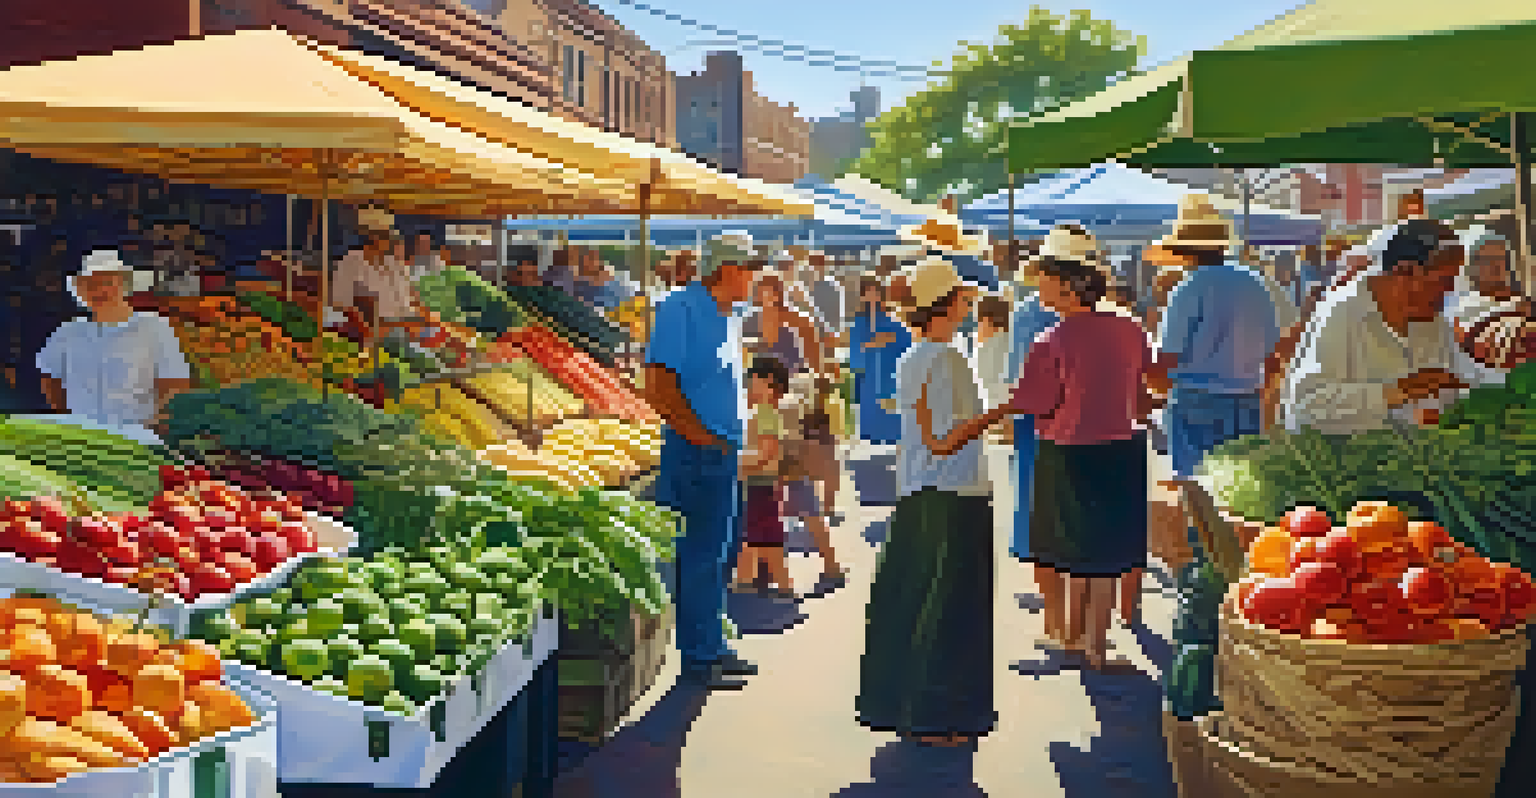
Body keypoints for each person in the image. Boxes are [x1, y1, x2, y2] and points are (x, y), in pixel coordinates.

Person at [858, 255, 1012, 748]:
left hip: (924, 491)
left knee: (918, 603)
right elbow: (943, 440)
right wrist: (1005, 410)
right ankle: (935, 718)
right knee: (950, 611)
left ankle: (918, 712)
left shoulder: (916, 355)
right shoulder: (944, 358)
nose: (969, 303)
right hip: (952, 494)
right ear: (946, 304)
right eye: (962, 296)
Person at [1009, 250, 1155, 672]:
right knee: (1107, 550)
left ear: (1069, 288)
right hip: (1121, 447)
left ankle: (1075, 637)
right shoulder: (1130, 327)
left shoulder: (1051, 340)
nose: (1039, 289)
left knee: (1073, 546)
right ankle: (1095, 643)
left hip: (1067, 451)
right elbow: (1147, 387)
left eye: (1046, 281)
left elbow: (1035, 402)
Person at [643, 232, 760, 690]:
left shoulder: (727, 313)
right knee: (699, 557)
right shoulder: (680, 308)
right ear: (727, 269)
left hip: (718, 452)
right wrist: (702, 436)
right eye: (750, 268)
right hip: (696, 453)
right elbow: (658, 385)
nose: (754, 277)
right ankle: (699, 659)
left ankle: (712, 645)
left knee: (718, 555)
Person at [1284, 219, 1466, 435]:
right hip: (1343, 452)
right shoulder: (1341, 311)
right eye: (1444, 280)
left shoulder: (1434, 321)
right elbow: (1305, 407)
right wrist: (1396, 392)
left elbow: (1448, 393)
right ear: (1404, 272)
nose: (1450, 289)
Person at [1156, 195, 1280, 481]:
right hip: (1248, 401)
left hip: (1197, 402)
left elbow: (1167, 357)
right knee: (1241, 491)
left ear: (1184, 252)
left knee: (1197, 488)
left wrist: (1153, 388)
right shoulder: (1255, 283)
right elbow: (1273, 355)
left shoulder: (1188, 288)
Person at [744, 272, 843, 592]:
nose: (766, 297)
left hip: (787, 413)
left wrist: (807, 403)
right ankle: (766, 571)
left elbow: (815, 368)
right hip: (769, 410)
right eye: (761, 291)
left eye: (770, 290)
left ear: (779, 292)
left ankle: (828, 565)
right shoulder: (750, 321)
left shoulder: (796, 321)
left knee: (795, 488)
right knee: (770, 495)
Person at [36, 249, 192, 432]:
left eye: (108, 283)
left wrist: (156, 427)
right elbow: (50, 377)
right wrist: (69, 419)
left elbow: (175, 383)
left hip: (137, 436)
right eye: (91, 285)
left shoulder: (153, 326)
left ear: (123, 285)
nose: (100, 290)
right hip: (81, 435)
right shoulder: (68, 331)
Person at [734, 356, 795, 599]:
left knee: (763, 537)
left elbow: (766, 453)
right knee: (756, 536)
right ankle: (748, 579)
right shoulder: (763, 413)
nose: (748, 387)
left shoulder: (765, 414)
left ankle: (779, 584)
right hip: (760, 482)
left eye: (752, 381)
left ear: (769, 383)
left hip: (760, 483)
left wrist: (735, 464)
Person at [1448, 226, 1533, 386]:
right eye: (1488, 260)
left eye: (1501, 259)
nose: (1497, 266)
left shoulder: (1525, 304)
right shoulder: (1463, 310)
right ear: (1471, 265)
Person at [848, 277, 911, 445]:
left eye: (875, 291)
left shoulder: (891, 320)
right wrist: (870, 345)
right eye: (867, 292)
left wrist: (891, 339)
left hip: (889, 375)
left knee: (891, 415)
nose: (872, 296)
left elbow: (908, 343)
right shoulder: (859, 322)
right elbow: (854, 354)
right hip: (870, 378)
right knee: (872, 415)